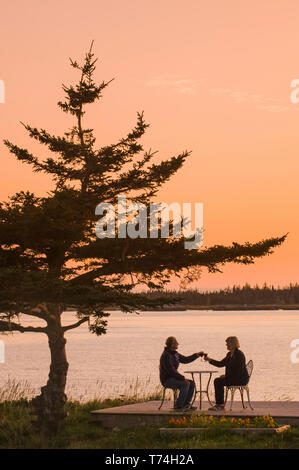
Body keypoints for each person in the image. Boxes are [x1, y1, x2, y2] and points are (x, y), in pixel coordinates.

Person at [159, 336, 205, 410]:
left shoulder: (175, 354)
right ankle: (178, 406)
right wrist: (183, 378)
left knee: (191, 383)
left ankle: (186, 404)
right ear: (171, 344)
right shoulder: (166, 355)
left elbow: (185, 359)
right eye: (176, 342)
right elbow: (171, 371)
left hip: (174, 378)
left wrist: (197, 355)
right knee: (185, 383)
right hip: (167, 380)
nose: (178, 343)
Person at [204, 336, 249, 411]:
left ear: (232, 343)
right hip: (233, 378)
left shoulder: (239, 355)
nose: (226, 345)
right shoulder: (229, 354)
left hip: (240, 379)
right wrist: (209, 360)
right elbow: (220, 364)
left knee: (218, 381)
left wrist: (226, 376)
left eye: (227, 343)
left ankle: (220, 405)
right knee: (218, 380)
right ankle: (220, 404)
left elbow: (239, 371)